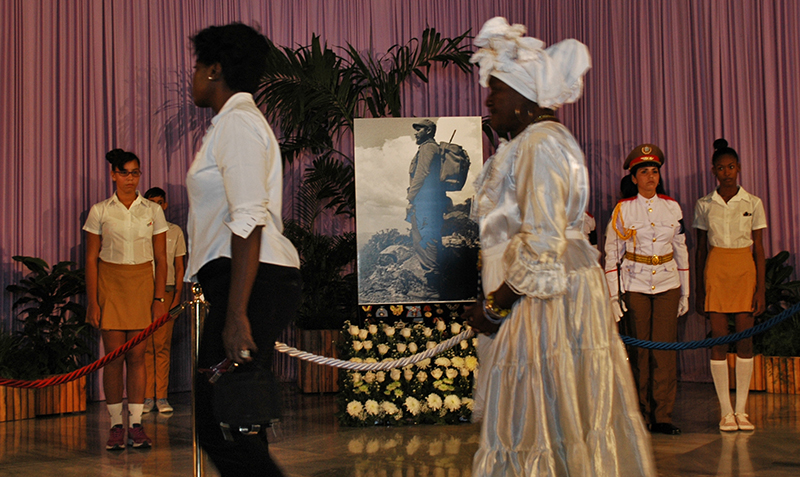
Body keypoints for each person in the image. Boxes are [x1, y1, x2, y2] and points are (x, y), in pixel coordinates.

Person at [462, 17, 655, 476]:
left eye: (496, 93)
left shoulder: (541, 144)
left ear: (525, 95)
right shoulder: (532, 142)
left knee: (541, 413)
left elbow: (543, 242)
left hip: (546, 299)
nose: (489, 103)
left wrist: (495, 305)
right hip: (540, 293)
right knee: (551, 410)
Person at [185, 23, 301, 477]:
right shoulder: (233, 123)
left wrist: (236, 315)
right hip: (251, 279)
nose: (192, 76)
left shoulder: (236, 123)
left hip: (252, 281)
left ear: (215, 69)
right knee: (237, 420)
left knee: (222, 423)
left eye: (197, 66)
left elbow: (249, 217)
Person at [83, 148, 168, 450]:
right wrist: (93, 302)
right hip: (111, 283)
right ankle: (115, 425)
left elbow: (161, 256)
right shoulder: (100, 211)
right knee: (113, 358)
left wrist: (159, 297)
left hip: (143, 283)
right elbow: (91, 258)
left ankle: (137, 423)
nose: (130, 179)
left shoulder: (152, 210)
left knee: (137, 356)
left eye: (135, 172)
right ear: (113, 174)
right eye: (125, 172)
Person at [604, 144, 690, 435]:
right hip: (636, 284)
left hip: (667, 283)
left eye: (655, 171)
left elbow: (681, 250)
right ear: (634, 178)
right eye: (644, 172)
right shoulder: (623, 210)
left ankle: (662, 414)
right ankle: (639, 413)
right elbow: (611, 254)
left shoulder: (672, 207)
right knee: (639, 350)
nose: (651, 177)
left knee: (664, 352)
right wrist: (614, 296)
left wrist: (686, 291)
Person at [694, 138, 766, 432]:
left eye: (731, 166)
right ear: (713, 171)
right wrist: (700, 289)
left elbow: (759, 248)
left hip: (743, 268)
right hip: (716, 269)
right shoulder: (704, 204)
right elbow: (700, 249)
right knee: (719, 340)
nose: (727, 172)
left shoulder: (753, 202)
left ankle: (742, 410)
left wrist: (761, 288)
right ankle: (726, 412)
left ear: (739, 168)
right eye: (721, 168)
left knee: (746, 340)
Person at [142, 187, 186, 414]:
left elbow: (179, 267)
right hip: (143, 292)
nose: (157, 206)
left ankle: (162, 396)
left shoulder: (174, 231)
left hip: (168, 291)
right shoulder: (141, 229)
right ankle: (147, 396)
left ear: (165, 205)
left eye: (160, 202)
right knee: (144, 346)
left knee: (162, 346)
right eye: (152, 202)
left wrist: (177, 297)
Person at [406, 119, 448, 298]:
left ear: (429, 131)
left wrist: (410, 198)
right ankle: (433, 287)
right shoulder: (430, 148)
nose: (416, 132)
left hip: (425, 203)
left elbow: (421, 174)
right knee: (427, 238)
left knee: (425, 240)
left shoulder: (428, 148)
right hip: (430, 203)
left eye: (419, 129)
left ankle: (432, 290)